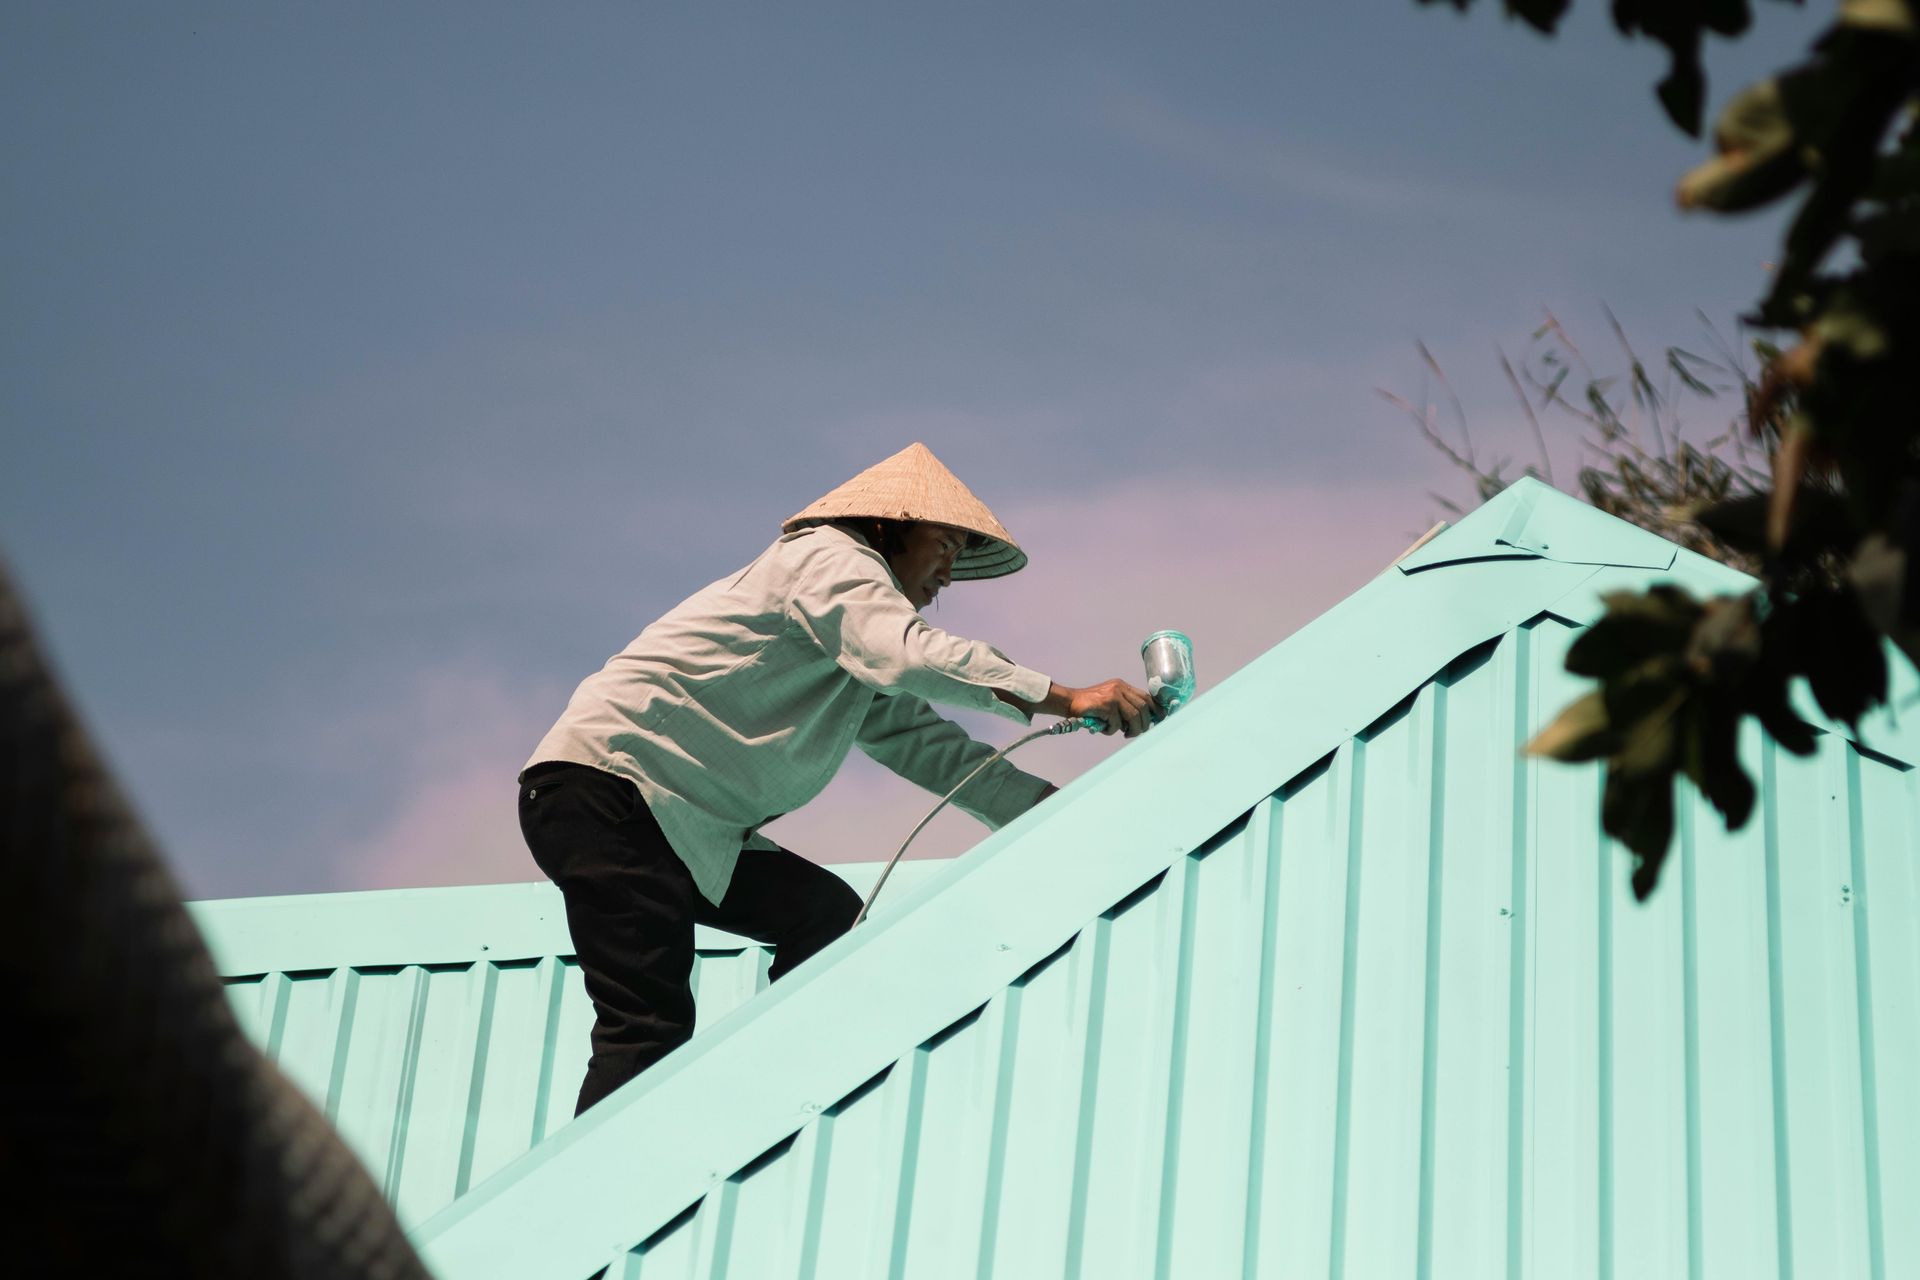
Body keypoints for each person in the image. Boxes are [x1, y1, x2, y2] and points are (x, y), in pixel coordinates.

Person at [518, 442, 1158, 1115]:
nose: (947, 573)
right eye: (941, 545)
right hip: (607, 790)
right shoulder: (827, 558)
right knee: (646, 1026)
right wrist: (1065, 696)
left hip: (681, 823)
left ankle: (767, 1104)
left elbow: (933, 750)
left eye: (958, 559)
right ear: (887, 529)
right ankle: (597, 1198)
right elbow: (905, 655)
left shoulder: (850, 644)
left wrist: (1060, 815)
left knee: (822, 917)